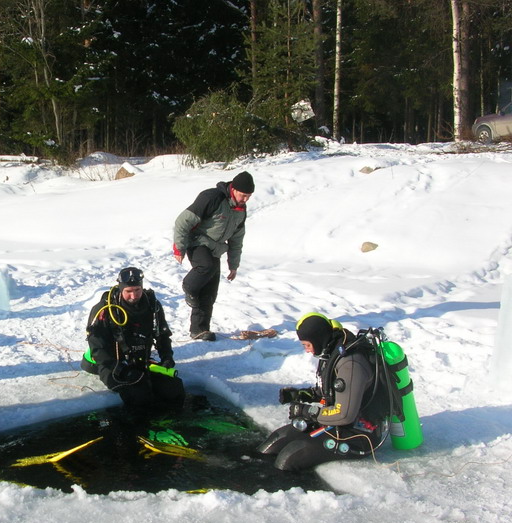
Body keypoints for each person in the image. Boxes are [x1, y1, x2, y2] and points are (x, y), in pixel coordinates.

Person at [257, 313, 391, 471]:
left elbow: (344, 414)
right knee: (274, 443)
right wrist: (300, 395)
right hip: (334, 422)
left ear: (318, 339)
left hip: (360, 434)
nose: (307, 351)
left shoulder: (350, 364)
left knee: (291, 457)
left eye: (307, 345)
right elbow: (328, 391)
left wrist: (307, 412)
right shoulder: (331, 351)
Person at [80, 267, 185, 418]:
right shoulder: (104, 309)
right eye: (128, 291)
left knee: (174, 389)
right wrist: (122, 369)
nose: (133, 295)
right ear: (121, 289)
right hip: (110, 363)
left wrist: (167, 356)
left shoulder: (152, 305)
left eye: (137, 290)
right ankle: (139, 429)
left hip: (139, 359)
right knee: (139, 395)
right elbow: (98, 347)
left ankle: (172, 423)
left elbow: (162, 334)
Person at [173, 171, 254, 341]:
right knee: (206, 266)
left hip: (215, 248)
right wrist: (179, 247)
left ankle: (199, 330)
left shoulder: (241, 210)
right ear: (234, 189)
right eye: (243, 195)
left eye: (249, 196)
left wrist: (233, 265)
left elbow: (237, 239)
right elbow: (183, 221)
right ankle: (189, 287)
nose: (245, 199)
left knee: (210, 290)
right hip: (196, 241)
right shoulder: (212, 198)